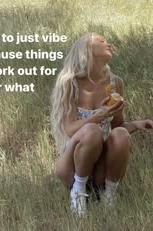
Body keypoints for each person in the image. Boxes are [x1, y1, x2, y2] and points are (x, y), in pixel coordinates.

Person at [50, 32, 153, 217]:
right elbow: (70, 128)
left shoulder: (115, 83)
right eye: (101, 40)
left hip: (100, 168)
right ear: (86, 50)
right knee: (91, 130)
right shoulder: (69, 83)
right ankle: (78, 191)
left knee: (121, 134)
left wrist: (137, 124)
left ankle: (109, 194)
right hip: (73, 166)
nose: (108, 43)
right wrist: (98, 116)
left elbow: (118, 127)